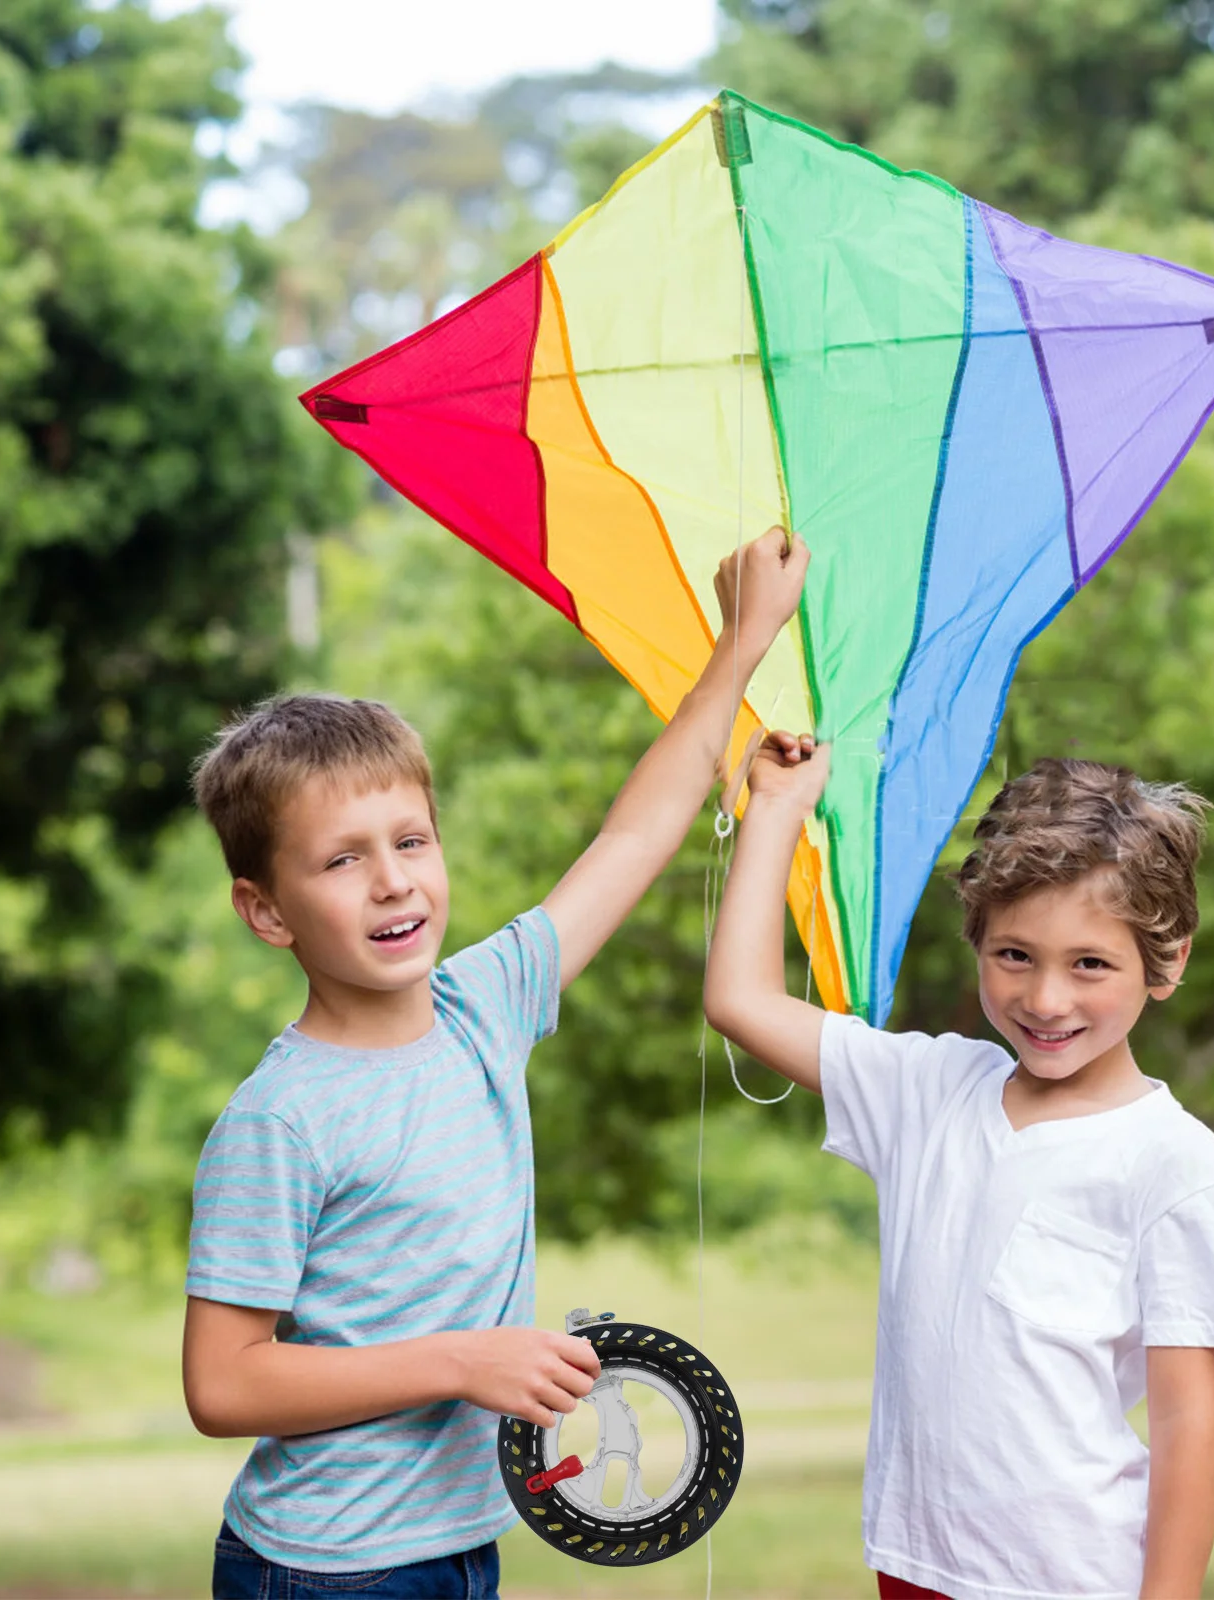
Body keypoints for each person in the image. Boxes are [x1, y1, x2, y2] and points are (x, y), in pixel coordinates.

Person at [181, 526, 808, 1600]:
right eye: (342, 860)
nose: (393, 882)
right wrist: (462, 1360)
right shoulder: (279, 1116)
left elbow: (634, 834)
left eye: (412, 841)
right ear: (266, 910)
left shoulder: (485, 1006)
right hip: (329, 1568)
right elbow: (222, 1383)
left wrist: (739, 646)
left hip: (463, 1544)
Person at [704, 748, 1214, 1600]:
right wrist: (776, 806)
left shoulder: (1178, 1169)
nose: (1045, 999)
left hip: (1068, 1581)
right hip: (914, 1567)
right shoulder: (927, 1090)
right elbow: (740, 1000)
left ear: (1169, 961)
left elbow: (1190, 1425)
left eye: (1090, 964)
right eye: (1013, 955)